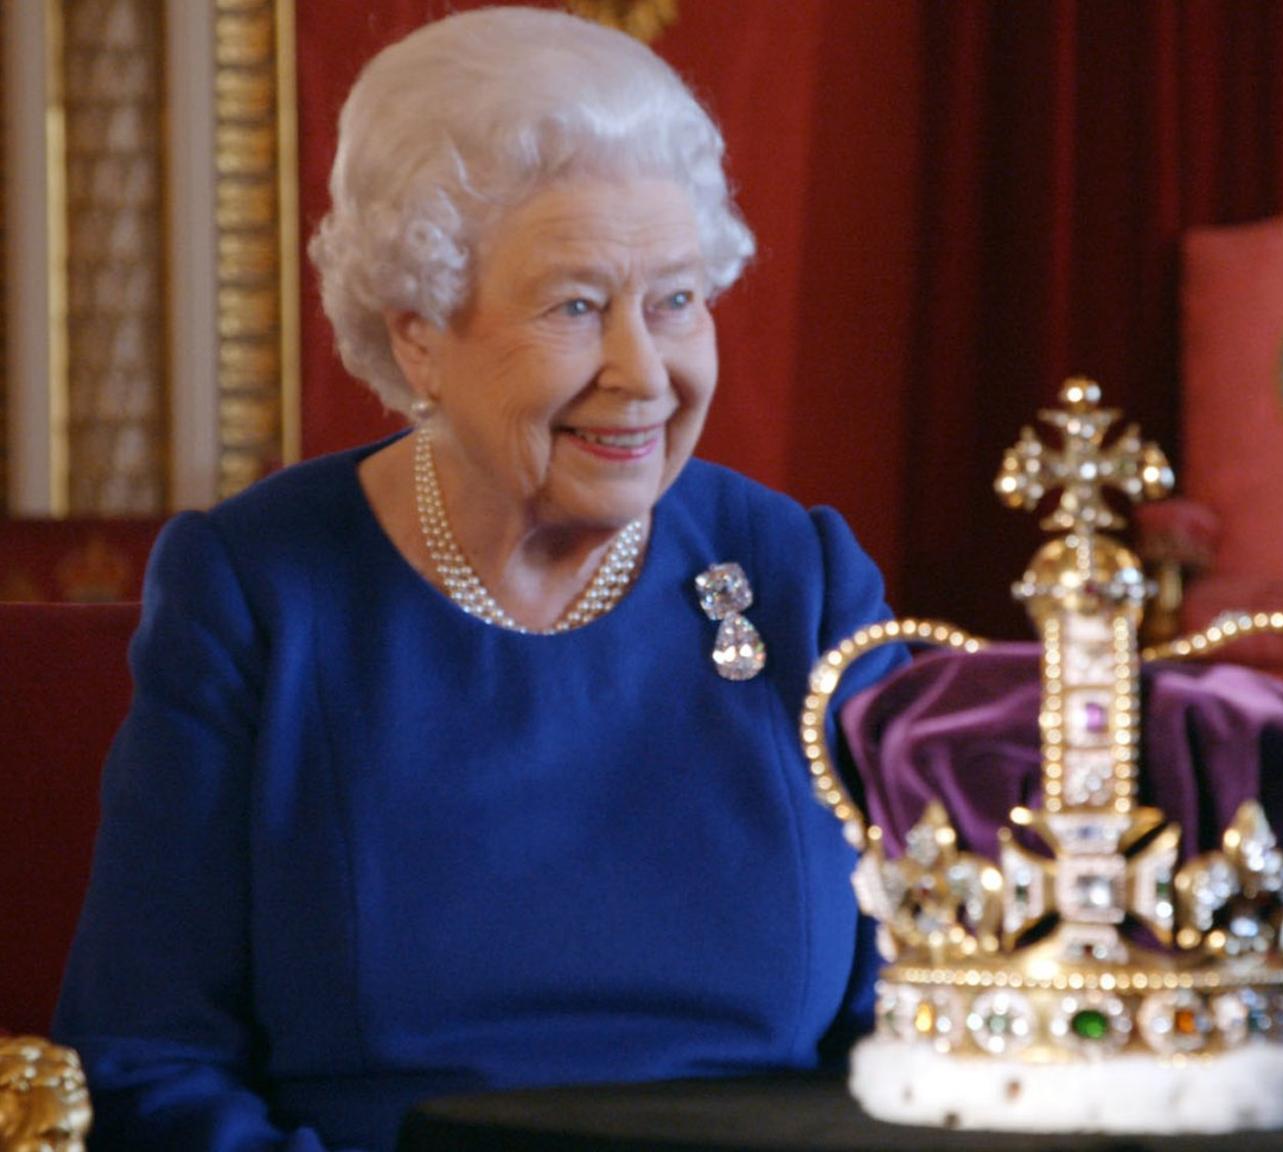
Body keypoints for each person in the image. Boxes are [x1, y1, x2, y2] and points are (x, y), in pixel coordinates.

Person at [52, 9, 902, 1150]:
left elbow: (921, 1022)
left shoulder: (800, 580)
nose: (642, 374)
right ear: (418, 337)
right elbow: (148, 1057)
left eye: (675, 301)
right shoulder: (259, 592)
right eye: (575, 307)